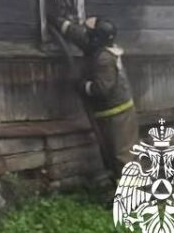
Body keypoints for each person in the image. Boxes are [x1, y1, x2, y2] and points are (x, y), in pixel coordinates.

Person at [49, 12, 138, 178]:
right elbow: (77, 34)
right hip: (110, 113)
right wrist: (58, 21)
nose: (86, 36)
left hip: (119, 115)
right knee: (111, 155)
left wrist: (82, 85)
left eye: (90, 34)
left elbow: (101, 90)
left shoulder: (104, 59)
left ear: (96, 38)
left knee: (122, 156)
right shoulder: (96, 47)